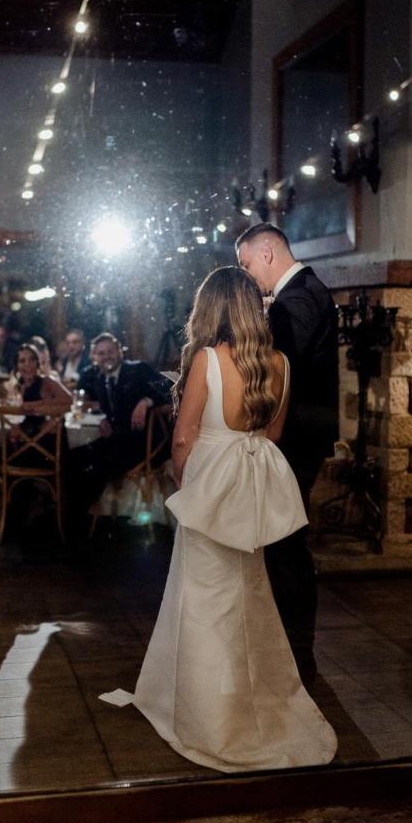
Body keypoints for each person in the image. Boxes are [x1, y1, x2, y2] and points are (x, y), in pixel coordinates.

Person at [101, 267, 337, 772]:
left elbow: (183, 437)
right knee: (249, 598)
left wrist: (186, 482)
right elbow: (271, 437)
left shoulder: (207, 359)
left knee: (203, 601)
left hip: (211, 487)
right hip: (253, 487)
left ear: (210, 310)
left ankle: (209, 718)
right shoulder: (280, 364)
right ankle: (249, 703)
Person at [235, 223, 339, 686]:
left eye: (246, 264)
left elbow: (281, 359)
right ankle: (289, 649)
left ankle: (299, 655)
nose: (246, 275)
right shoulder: (305, 291)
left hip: (297, 437)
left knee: (285, 542)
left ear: (269, 252)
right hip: (298, 434)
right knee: (281, 541)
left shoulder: (299, 297)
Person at [69, 333, 170, 519]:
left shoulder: (138, 369)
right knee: (74, 456)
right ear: (94, 358)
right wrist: (101, 418)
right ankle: (77, 515)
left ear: (120, 352)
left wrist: (145, 402)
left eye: (110, 351)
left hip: (143, 444)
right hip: (117, 440)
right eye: (100, 353)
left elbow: (170, 388)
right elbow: (83, 394)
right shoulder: (98, 377)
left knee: (95, 464)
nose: (106, 356)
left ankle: (81, 519)